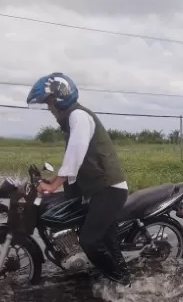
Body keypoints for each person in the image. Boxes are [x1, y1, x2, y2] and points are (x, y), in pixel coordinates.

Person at [26, 72, 131, 286]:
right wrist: (53, 180)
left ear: (60, 97)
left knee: (90, 241)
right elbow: (73, 162)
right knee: (108, 240)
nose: (49, 108)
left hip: (109, 188)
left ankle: (121, 281)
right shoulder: (72, 120)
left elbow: (76, 153)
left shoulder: (79, 116)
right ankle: (121, 276)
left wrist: (55, 184)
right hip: (99, 189)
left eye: (49, 103)